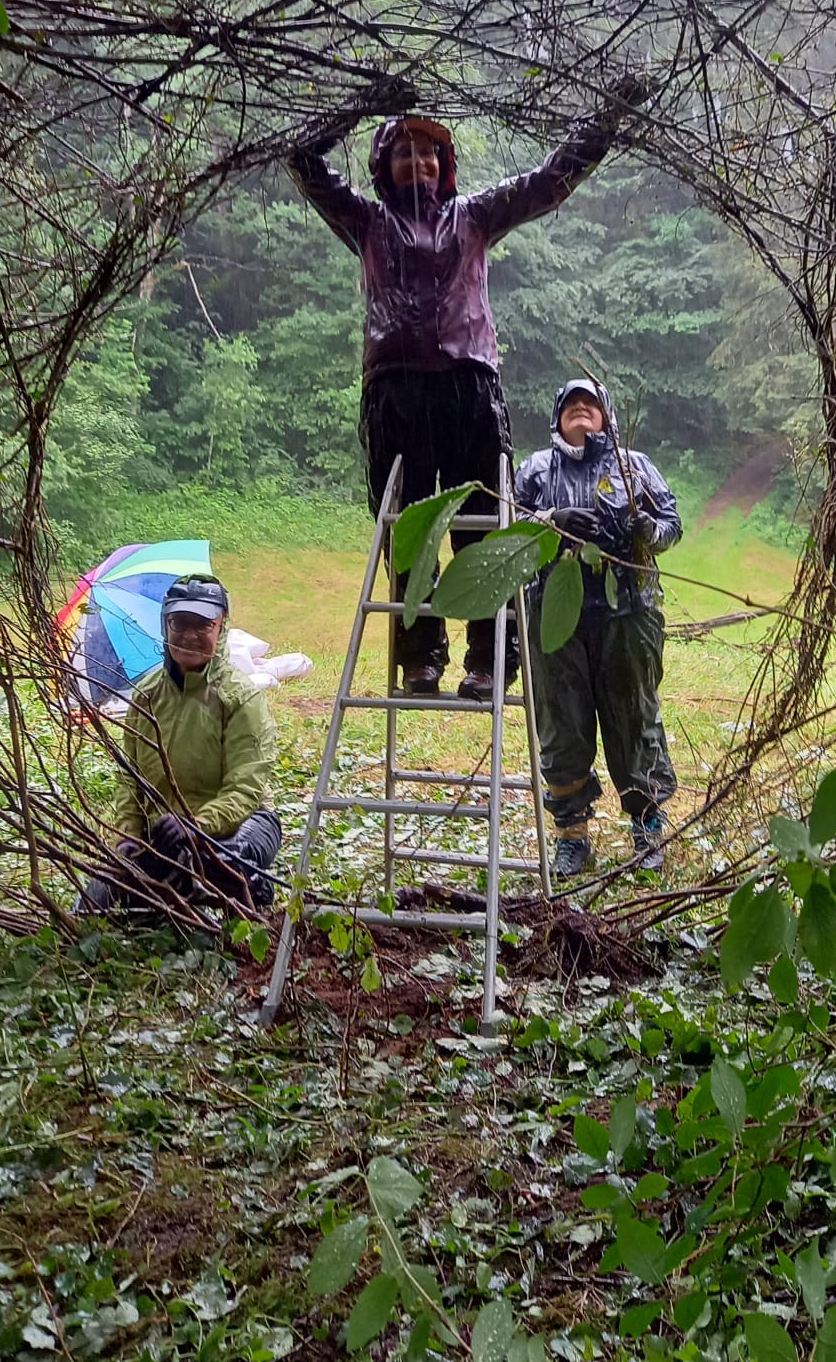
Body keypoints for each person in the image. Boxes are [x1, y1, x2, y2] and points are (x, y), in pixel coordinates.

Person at [287, 89, 639, 699]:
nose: (418, 164)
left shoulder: (474, 216)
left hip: (470, 386)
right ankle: (419, 654)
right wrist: (365, 101)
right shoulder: (368, 222)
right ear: (383, 165)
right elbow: (301, 158)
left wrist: (607, 117)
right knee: (409, 531)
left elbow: (551, 180)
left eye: (429, 153)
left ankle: (490, 657)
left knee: (483, 529)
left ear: (445, 165)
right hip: (395, 392)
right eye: (403, 153)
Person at [514, 377, 681, 879]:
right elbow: (511, 528)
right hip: (555, 619)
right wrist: (549, 519)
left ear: (606, 415)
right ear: (557, 418)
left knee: (635, 720)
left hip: (627, 615)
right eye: (571, 405)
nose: (581, 410)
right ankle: (572, 837)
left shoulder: (635, 468)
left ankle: (648, 827)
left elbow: (672, 522)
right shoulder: (536, 471)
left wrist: (648, 529)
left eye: (591, 404)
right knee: (561, 728)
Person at [78, 574, 282, 915]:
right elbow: (130, 781)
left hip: (241, 826)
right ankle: (171, 885)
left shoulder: (240, 698)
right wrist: (128, 836)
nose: (189, 635)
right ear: (165, 626)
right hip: (168, 835)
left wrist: (196, 825)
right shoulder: (146, 695)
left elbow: (246, 789)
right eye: (179, 623)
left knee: (219, 860)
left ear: (221, 628)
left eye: (203, 625)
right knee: (98, 901)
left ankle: (251, 888)